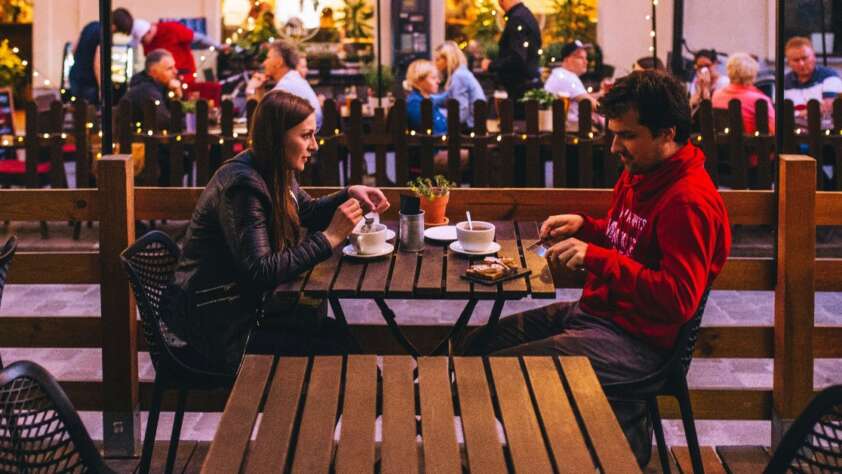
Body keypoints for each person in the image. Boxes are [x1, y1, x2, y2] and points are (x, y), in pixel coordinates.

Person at [460, 70, 731, 466]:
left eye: (627, 135)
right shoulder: (640, 172)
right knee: (475, 347)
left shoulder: (687, 201)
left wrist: (595, 257)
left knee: (501, 374)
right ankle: (543, 451)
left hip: (641, 344)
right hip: (598, 315)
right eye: (613, 132)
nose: (614, 147)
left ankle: (565, 453)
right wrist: (588, 228)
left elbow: (678, 300)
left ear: (667, 134)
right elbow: (631, 240)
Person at [162, 90, 390, 373]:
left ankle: (361, 409)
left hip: (240, 313)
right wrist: (330, 238)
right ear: (277, 137)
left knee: (341, 341)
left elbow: (306, 211)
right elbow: (261, 270)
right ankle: (363, 409)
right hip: (218, 331)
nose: (315, 146)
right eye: (305, 136)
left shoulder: (272, 168)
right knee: (341, 354)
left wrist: (347, 194)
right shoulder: (242, 187)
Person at [480, 0, 541, 118]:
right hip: (526, 92)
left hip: (518, 93)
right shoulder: (525, 16)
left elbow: (517, 59)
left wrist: (491, 65)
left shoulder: (517, 19)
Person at [246, 40, 323, 130]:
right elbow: (264, 114)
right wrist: (260, 89)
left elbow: (259, 123)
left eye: (268, 58)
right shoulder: (294, 79)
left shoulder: (284, 88)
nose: (264, 63)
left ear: (279, 62)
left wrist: (250, 89)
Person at [68, 8, 134, 106]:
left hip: (75, 75)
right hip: (89, 81)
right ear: (115, 26)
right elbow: (98, 63)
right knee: (91, 114)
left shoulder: (91, 25)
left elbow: (74, 48)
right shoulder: (105, 34)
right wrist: (102, 88)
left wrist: (80, 62)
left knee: (79, 113)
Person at [131, 18, 222, 86]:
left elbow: (198, 38)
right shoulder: (147, 44)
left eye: (142, 40)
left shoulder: (171, 28)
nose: (142, 44)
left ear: (149, 32)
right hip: (162, 83)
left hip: (185, 79)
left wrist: (218, 47)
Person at [544, 40, 598, 131]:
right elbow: (592, 104)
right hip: (568, 130)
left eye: (586, 58)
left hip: (559, 129)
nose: (586, 62)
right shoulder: (567, 77)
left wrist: (601, 93)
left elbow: (582, 97)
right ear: (567, 59)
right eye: (581, 58)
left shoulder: (560, 74)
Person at [784, 36, 842, 117]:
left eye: (804, 58)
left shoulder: (829, 76)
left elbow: (828, 108)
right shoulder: (784, 82)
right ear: (788, 62)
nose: (801, 63)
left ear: (814, 56)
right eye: (796, 60)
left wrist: (796, 114)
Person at [434, 41, 486, 129]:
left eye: (438, 59)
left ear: (448, 59)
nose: (435, 63)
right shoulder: (460, 73)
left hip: (470, 128)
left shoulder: (459, 76)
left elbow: (462, 113)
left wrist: (438, 114)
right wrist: (426, 98)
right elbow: (446, 97)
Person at [124, 49, 183, 126]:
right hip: (134, 137)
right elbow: (164, 122)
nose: (175, 71)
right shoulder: (146, 90)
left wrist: (176, 97)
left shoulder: (162, 88)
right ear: (153, 72)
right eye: (169, 68)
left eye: (174, 67)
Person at [404, 59, 448, 135]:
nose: (438, 81)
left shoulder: (428, 100)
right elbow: (434, 133)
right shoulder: (415, 103)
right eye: (433, 78)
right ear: (419, 80)